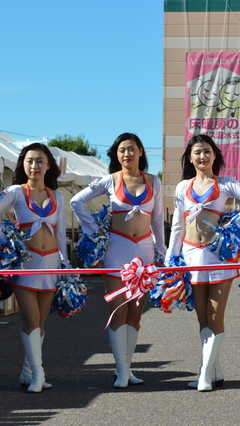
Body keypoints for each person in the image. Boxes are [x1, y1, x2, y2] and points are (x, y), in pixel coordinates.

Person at [166, 134, 240, 392]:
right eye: (197, 152)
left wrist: (234, 223)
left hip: (217, 256)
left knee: (215, 315)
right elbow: (177, 225)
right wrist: (170, 258)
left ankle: (204, 374)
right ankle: (214, 370)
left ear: (215, 156)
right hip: (191, 256)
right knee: (202, 317)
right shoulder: (182, 187)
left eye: (207, 151)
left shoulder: (226, 183)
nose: (203, 156)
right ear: (190, 158)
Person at [70, 132, 165, 388]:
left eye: (132, 149)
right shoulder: (109, 180)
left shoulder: (154, 181)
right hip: (116, 251)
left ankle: (127, 368)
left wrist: (161, 251)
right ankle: (121, 370)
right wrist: (95, 232)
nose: (127, 154)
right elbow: (76, 201)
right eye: (122, 150)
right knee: (118, 311)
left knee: (135, 313)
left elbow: (157, 220)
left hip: (144, 253)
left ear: (141, 152)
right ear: (116, 154)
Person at [0, 143, 68, 393]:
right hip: (26, 264)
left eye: (40, 161)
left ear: (48, 165)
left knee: (41, 321)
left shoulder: (58, 197)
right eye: (29, 161)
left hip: (51, 265)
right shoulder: (16, 192)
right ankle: (39, 374)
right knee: (31, 319)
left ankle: (28, 372)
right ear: (23, 164)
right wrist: (4, 246)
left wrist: (66, 264)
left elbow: (60, 234)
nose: (34, 166)